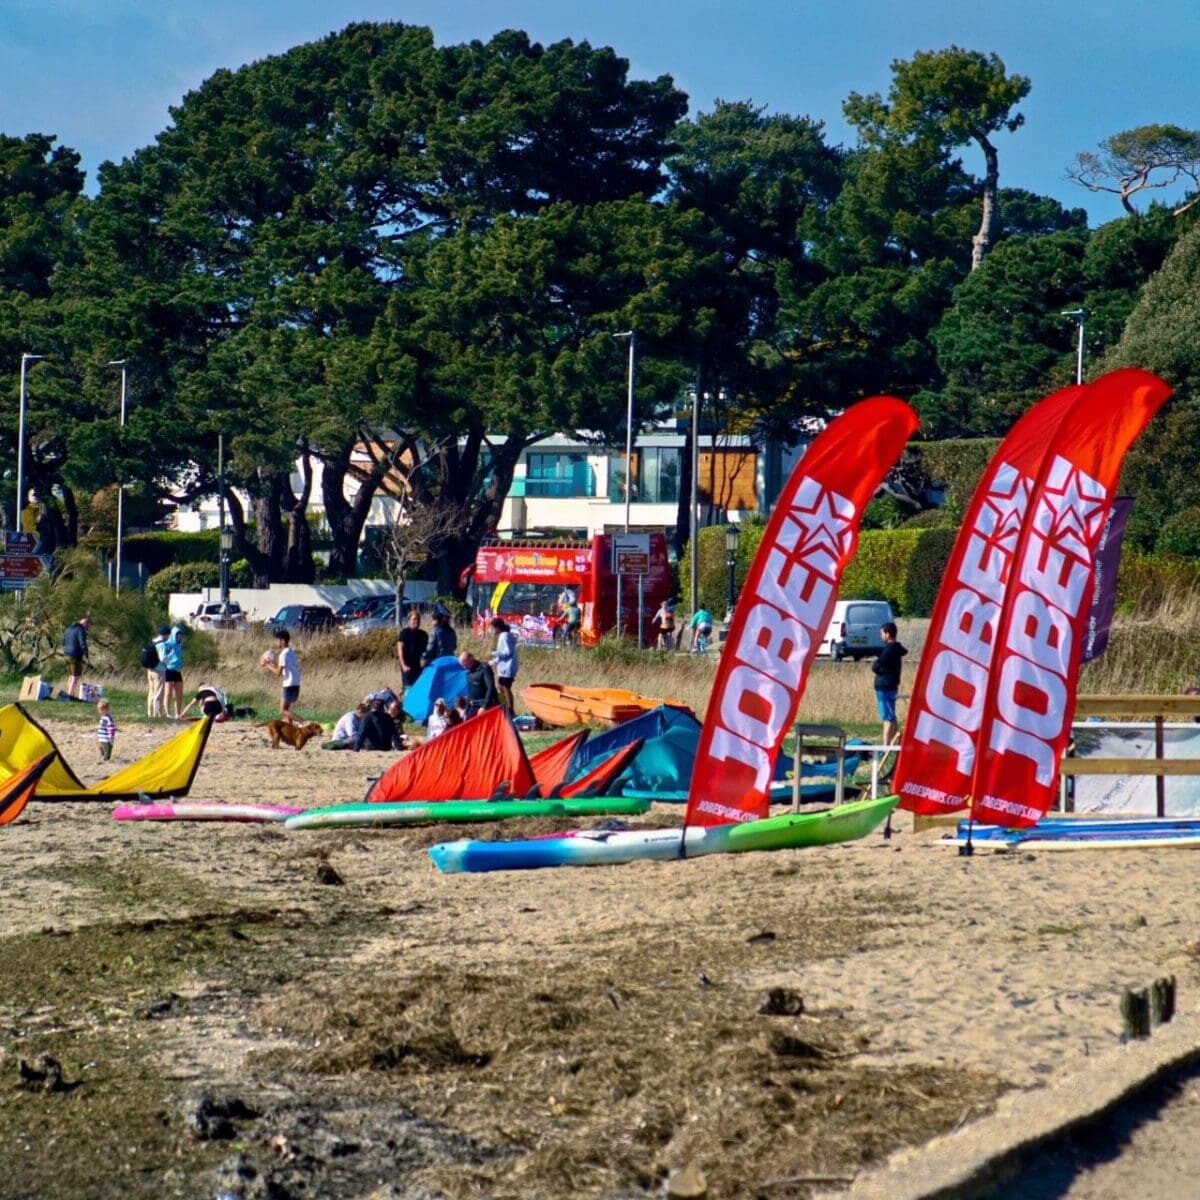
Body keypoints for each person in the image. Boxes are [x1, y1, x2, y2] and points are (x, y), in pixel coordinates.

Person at [872, 621, 908, 747]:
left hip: (884, 686)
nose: (881, 636)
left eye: (882, 634)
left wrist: (880, 670)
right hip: (892, 685)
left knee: (887, 718)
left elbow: (876, 666)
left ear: (887, 634)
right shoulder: (897, 648)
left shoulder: (889, 648)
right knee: (892, 716)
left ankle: (886, 747)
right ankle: (893, 744)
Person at [261, 629, 303, 724]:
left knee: (283, 710)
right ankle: (290, 729)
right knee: (286, 710)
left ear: (283, 641)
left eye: (277, 640)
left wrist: (266, 665)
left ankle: (303, 722)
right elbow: (283, 669)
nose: (276, 643)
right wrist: (269, 663)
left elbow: (278, 673)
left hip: (289, 684)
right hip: (295, 683)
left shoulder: (283, 654)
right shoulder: (290, 652)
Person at [489, 616, 519, 713]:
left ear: (497, 627)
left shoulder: (504, 636)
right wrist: (492, 662)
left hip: (507, 667)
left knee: (505, 687)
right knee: (501, 686)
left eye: (492, 628)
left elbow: (507, 652)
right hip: (504, 667)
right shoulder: (504, 635)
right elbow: (502, 654)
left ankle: (510, 709)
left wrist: (493, 653)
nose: (492, 630)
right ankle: (505, 707)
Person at [458, 651, 499, 715]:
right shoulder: (468, 672)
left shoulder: (484, 668)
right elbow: (470, 690)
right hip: (473, 705)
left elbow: (491, 687)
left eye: (465, 664)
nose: (464, 668)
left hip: (486, 705)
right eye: (462, 666)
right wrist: (467, 707)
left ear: (471, 659)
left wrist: (484, 706)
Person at [158, 625, 186, 719]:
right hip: (169, 670)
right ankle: (168, 713)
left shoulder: (179, 644)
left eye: (180, 635)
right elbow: (164, 656)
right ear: (174, 635)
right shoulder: (168, 643)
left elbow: (178, 656)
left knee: (179, 693)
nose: (179, 637)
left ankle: (178, 713)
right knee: (168, 693)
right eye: (178, 635)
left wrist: (180, 663)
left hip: (177, 671)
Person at [396, 609, 428, 688]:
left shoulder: (423, 634)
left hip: (420, 668)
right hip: (408, 667)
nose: (416, 621)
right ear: (409, 620)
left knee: (420, 688)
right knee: (408, 689)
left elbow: (428, 650)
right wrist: (403, 665)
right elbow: (400, 649)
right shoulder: (404, 633)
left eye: (418, 619)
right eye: (414, 619)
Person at [143, 626, 170, 717]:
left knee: (151, 692)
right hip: (158, 671)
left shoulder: (153, 641)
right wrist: (170, 656)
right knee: (158, 693)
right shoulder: (161, 644)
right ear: (166, 635)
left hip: (150, 670)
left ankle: (150, 713)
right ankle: (157, 714)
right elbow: (163, 659)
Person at [62, 617, 90, 699]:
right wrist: (86, 655)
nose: (87, 628)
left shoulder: (68, 629)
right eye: (87, 625)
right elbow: (82, 643)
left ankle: (71, 694)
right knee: (75, 676)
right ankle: (70, 696)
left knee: (70, 675)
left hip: (66, 655)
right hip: (75, 656)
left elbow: (63, 641)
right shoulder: (80, 630)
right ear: (85, 624)